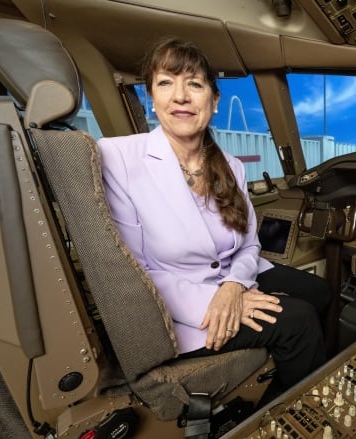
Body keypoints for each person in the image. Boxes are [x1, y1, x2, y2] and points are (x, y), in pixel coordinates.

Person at [97, 37, 329, 392]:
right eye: (165, 83)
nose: (180, 96)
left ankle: (297, 379)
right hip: (178, 300)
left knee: (319, 292)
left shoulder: (231, 166)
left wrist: (234, 286)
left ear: (214, 101)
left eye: (194, 84)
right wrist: (215, 301)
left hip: (230, 277)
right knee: (299, 320)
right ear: (151, 99)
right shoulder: (119, 158)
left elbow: (249, 244)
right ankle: (282, 413)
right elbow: (133, 269)